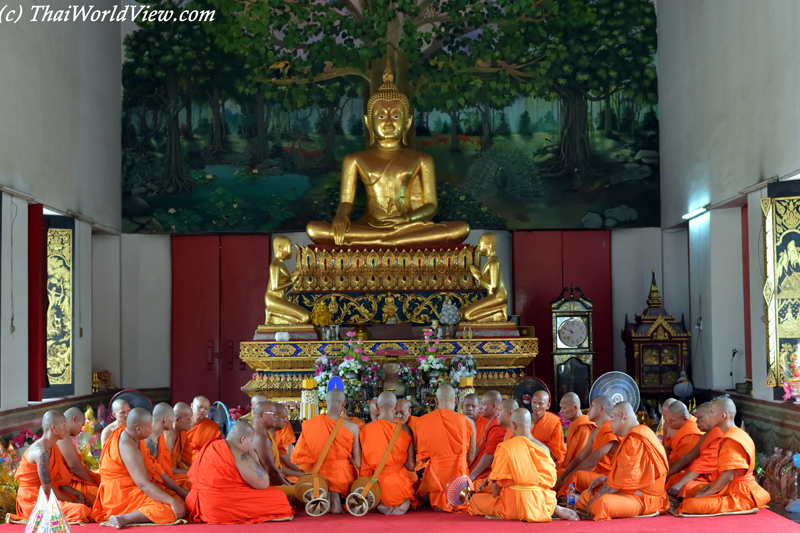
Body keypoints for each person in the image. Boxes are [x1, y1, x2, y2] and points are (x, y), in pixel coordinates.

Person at [305, 58, 470, 247]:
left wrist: (406, 221)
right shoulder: (355, 159)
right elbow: (346, 202)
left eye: (396, 115)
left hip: (408, 228)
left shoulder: (422, 160)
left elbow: (431, 205)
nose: (389, 122)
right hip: (369, 227)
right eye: (381, 115)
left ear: (407, 123)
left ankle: (384, 241)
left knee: (461, 228)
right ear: (369, 122)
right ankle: (386, 240)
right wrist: (341, 216)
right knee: (314, 229)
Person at [468, 409, 579, 522]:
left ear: (513, 425)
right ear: (531, 425)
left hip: (512, 507)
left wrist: (498, 495)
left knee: (475, 500)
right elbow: (550, 482)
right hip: (540, 503)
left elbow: (496, 485)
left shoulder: (506, 447)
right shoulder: (544, 449)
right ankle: (553, 508)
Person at [90, 408, 186, 527]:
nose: (151, 429)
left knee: (176, 498)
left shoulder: (134, 439)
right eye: (149, 426)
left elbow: (154, 469)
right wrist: (172, 502)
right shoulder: (128, 447)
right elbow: (144, 485)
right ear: (138, 429)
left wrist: (179, 491)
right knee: (168, 510)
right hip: (119, 495)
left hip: (132, 487)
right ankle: (124, 518)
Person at [575, 402, 669, 521]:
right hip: (629, 490)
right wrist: (604, 479)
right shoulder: (640, 433)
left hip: (645, 498)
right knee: (587, 496)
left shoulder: (636, 439)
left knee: (601, 503)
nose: (610, 424)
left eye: (612, 418)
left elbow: (621, 481)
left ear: (623, 416)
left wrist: (594, 501)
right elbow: (630, 474)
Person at [675, 397, 770, 515]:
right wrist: (709, 487)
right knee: (691, 492)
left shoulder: (732, 439)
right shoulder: (732, 433)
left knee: (690, 505)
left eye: (712, 412)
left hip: (741, 495)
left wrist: (706, 493)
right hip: (731, 487)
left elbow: (728, 476)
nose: (709, 415)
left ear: (723, 415)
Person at [186, 421, 294, 524]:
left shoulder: (211, 446)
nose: (251, 446)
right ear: (243, 439)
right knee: (278, 496)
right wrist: (256, 460)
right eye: (251, 441)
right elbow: (263, 483)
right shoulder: (237, 451)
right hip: (217, 504)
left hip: (195, 503)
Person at [9, 411, 92, 523]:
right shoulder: (40, 452)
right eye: (63, 426)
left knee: (89, 499)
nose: (66, 429)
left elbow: (59, 482)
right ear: (54, 427)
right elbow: (47, 488)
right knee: (81, 510)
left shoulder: (53, 448)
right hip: (34, 500)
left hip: (49, 493)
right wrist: (73, 502)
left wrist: (77, 493)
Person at [292, 388, 361, 514]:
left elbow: (301, 457)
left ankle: (325, 495)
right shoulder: (352, 426)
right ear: (344, 403)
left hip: (318, 478)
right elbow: (358, 462)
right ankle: (336, 497)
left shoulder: (310, 425)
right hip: (343, 478)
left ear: (324, 402)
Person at [414, 384, 476, 512]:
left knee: (419, 496)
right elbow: (470, 457)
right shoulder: (469, 422)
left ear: (436, 401)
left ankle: (439, 497)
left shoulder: (422, 421)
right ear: (456, 400)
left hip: (436, 477)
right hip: (460, 477)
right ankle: (455, 498)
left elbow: (424, 459)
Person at [360, 392, 419, 515]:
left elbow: (362, 463)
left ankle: (379, 503)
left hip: (377, 483)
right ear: (396, 406)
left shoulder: (364, 430)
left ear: (376, 407)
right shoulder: (406, 429)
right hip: (399, 483)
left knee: (371, 492)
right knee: (411, 482)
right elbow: (411, 465)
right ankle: (405, 502)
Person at [555, 395, 618, 498]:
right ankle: (578, 494)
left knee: (576, 476)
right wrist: (563, 477)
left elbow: (590, 462)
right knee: (559, 474)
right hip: (596, 472)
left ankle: (579, 497)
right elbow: (580, 457)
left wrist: (566, 479)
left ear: (601, 409)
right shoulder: (595, 432)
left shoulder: (610, 430)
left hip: (608, 476)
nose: (588, 409)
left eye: (592, 406)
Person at [666, 402, 723, 498]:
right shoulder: (708, 434)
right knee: (673, 478)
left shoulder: (719, 433)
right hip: (706, 476)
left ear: (711, 416)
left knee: (686, 487)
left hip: (720, 482)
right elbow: (687, 458)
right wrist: (666, 475)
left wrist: (680, 483)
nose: (696, 422)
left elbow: (701, 465)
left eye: (700, 418)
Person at [251, 401, 299, 500]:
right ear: (261, 415)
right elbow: (271, 472)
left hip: (274, 481)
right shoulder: (260, 437)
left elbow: (276, 468)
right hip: (268, 486)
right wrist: (289, 486)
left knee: (309, 484)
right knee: (308, 489)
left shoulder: (265, 435)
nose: (276, 417)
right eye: (273, 414)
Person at [56, 407, 101, 505]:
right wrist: (91, 483)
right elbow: (74, 465)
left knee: (103, 478)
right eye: (81, 425)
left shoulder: (64, 433)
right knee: (100, 494)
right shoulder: (62, 434)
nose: (81, 430)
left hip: (70, 479)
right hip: (65, 483)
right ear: (74, 419)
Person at [145, 403, 192, 492]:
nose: (174, 422)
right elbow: (154, 473)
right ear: (166, 419)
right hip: (154, 483)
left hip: (164, 477)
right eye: (172, 419)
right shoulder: (155, 440)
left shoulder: (160, 437)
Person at [662, 400, 703, 495]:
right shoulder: (672, 423)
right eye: (666, 418)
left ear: (685, 419)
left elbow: (682, 461)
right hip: (674, 461)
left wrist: (664, 475)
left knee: (674, 482)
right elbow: (666, 446)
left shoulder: (691, 435)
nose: (667, 422)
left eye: (672, 420)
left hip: (687, 467)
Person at [469, 394, 512, 483]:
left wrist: (472, 475)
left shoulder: (498, 426)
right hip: (478, 471)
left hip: (484, 475)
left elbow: (490, 455)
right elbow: (481, 447)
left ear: (494, 406)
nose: (480, 408)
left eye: (483, 404)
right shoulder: (491, 423)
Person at [250, 394, 296, 471]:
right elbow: (271, 470)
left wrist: (301, 473)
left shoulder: (274, 431)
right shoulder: (254, 432)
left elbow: (283, 454)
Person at [558, 393, 593, 475]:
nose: (561, 411)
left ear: (575, 408)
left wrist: (565, 474)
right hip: (570, 465)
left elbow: (580, 459)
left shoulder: (584, 428)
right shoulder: (575, 424)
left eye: (564, 408)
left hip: (581, 470)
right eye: (561, 407)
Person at [530, 391, 566, 463]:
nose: (536, 406)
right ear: (531, 402)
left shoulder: (553, 422)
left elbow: (556, 452)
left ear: (548, 406)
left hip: (545, 461)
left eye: (541, 404)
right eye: (534, 402)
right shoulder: (524, 419)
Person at [168, 402, 193, 474]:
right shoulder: (166, 437)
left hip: (177, 469)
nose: (190, 422)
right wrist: (188, 472)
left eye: (191, 419)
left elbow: (186, 458)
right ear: (177, 420)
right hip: (167, 475)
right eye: (188, 419)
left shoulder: (182, 434)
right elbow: (163, 469)